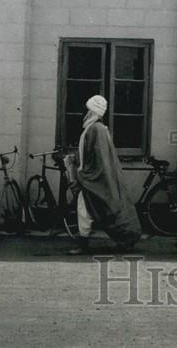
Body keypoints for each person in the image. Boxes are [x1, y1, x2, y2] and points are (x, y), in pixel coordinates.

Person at [66, 95, 141, 254]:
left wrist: (84, 174)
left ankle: (84, 244)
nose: (84, 112)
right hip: (93, 177)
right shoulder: (94, 128)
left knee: (86, 209)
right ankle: (121, 239)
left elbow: (98, 158)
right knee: (93, 209)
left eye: (87, 109)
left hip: (93, 179)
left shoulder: (96, 129)